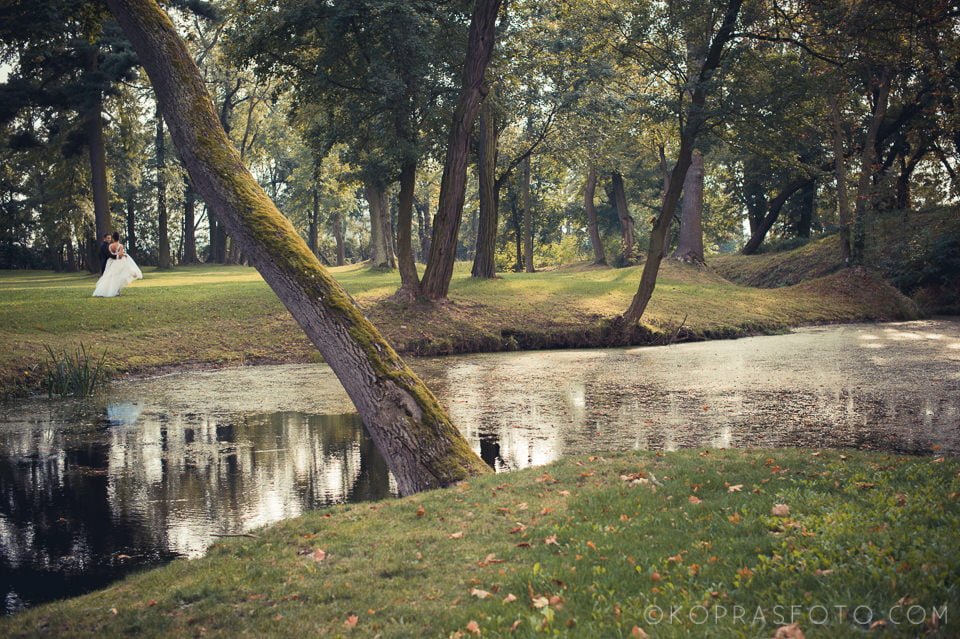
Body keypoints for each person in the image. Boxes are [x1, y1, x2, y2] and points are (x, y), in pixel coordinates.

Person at [92, 232, 143, 297]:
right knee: (118, 276)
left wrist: (115, 255)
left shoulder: (110, 246)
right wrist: (123, 255)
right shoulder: (120, 245)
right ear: (119, 238)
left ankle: (107, 291)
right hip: (118, 262)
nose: (109, 239)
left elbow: (110, 254)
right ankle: (117, 291)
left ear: (113, 238)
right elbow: (120, 256)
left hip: (111, 262)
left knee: (111, 277)